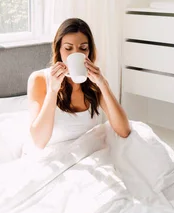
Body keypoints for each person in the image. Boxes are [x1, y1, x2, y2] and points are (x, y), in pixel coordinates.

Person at [27, 18, 131, 149]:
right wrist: (53, 91)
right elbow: (39, 141)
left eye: (83, 48)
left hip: (88, 153)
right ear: (58, 49)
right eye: (68, 48)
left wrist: (103, 84)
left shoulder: (94, 83)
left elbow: (124, 131)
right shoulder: (39, 80)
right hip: (54, 156)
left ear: (89, 51)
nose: (76, 53)